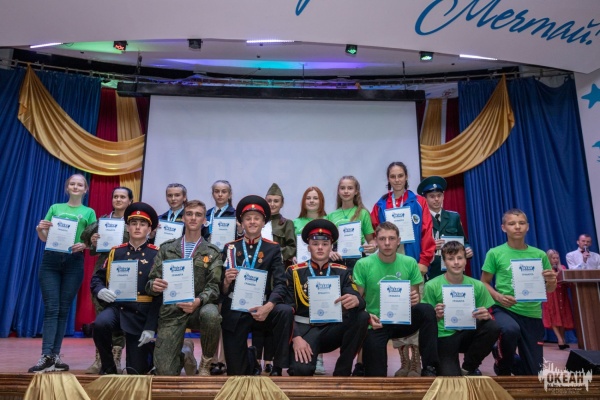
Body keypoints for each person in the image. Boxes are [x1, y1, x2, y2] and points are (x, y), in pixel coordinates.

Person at [370, 162, 435, 376]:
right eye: (393, 176)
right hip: (389, 264)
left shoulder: (419, 202)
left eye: (400, 176)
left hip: (414, 264)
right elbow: (375, 233)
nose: (397, 180)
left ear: (406, 177)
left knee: (415, 310)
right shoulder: (381, 205)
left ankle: (415, 361)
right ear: (388, 179)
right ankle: (404, 361)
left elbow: (427, 232)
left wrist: (424, 261)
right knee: (395, 310)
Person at [29, 173, 97, 373]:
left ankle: (55, 356)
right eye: (72, 184)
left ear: (85, 190)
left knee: (63, 309)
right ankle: (46, 355)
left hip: (74, 262)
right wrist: (40, 229)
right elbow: (44, 237)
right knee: (52, 308)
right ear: (67, 188)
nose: (76, 187)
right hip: (51, 260)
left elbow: (93, 241)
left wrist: (84, 245)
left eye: (80, 185)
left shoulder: (89, 212)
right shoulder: (55, 208)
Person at [146, 200, 223, 376]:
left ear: (205, 220)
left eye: (198, 214)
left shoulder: (212, 252)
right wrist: (154, 285)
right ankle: (185, 352)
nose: (193, 218)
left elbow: (214, 287)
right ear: (183, 218)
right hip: (172, 309)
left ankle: (206, 362)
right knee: (165, 372)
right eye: (189, 214)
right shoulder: (167, 249)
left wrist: (198, 301)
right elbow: (150, 282)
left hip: (199, 307)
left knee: (211, 315)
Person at [353, 222, 439, 377]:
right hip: (376, 323)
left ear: (398, 241)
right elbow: (357, 301)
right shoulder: (363, 264)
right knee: (376, 376)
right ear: (376, 241)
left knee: (426, 310)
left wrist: (415, 298)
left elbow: (415, 297)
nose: (387, 243)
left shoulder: (409, 262)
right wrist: (368, 316)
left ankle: (430, 367)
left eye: (391, 238)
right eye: (382, 239)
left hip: (403, 320)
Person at [220, 195, 294, 376]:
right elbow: (221, 289)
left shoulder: (273, 248)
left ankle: (277, 366)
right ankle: (251, 358)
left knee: (284, 311)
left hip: (263, 305)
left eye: (257, 218)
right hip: (236, 306)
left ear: (263, 223)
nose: (252, 222)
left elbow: (280, 283)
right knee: (236, 373)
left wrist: (268, 306)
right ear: (241, 223)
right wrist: (226, 282)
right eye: (248, 218)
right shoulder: (230, 248)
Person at [286, 219, 369, 376]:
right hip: (305, 330)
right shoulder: (295, 272)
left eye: (325, 244)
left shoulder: (342, 271)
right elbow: (287, 309)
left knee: (362, 316)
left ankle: (343, 371)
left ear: (331, 247)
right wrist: (296, 337)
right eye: (315, 244)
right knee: (300, 371)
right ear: (308, 247)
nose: (320, 247)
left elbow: (357, 297)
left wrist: (356, 300)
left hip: (332, 330)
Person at [480, 208, 557, 376]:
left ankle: (512, 360)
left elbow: (549, 288)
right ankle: (502, 364)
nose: (517, 227)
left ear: (527, 227)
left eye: (521, 223)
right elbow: (484, 282)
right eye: (512, 223)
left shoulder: (539, 255)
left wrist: (552, 281)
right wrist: (498, 296)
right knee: (510, 330)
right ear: (503, 228)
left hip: (532, 313)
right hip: (505, 309)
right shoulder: (495, 253)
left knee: (533, 374)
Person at [91, 202, 161, 375]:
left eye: (142, 224)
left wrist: (151, 326)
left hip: (141, 312)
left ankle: (153, 352)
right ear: (127, 227)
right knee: (100, 324)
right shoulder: (116, 252)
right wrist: (100, 290)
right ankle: (108, 367)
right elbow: (97, 278)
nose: (137, 227)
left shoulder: (157, 254)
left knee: (135, 371)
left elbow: (159, 295)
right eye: (133, 223)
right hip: (118, 308)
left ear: (149, 229)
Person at [422, 241, 500, 376]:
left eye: (460, 258)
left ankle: (469, 367)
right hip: (444, 336)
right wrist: (435, 316)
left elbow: (486, 313)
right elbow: (425, 322)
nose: (456, 262)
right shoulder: (431, 286)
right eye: (451, 259)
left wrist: (485, 315)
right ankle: (439, 366)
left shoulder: (478, 285)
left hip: (468, 333)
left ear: (465, 260)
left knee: (492, 326)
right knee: (451, 378)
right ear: (444, 262)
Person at [81, 186, 133, 374]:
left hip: (126, 270)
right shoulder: (102, 221)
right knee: (101, 312)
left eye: (123, 197)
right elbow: (85, 238)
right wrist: (93, 241)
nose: (118, 200)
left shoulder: (134, 222)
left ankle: (116, 358)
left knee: (121, 313)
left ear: (130, 201)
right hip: (103, 271)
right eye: (115, 196)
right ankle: (100, 358)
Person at [253, 183, 296, 373]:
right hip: (257, 276)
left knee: (272, 318)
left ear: (282, 203)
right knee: (257, 318)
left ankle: (269, 360)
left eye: (276, 201)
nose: (272, 204)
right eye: (269, 200)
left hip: (277, 277)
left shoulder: (286, 224)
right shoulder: (258, 221)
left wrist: (273, 255)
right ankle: (255, 359)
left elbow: (292, 248)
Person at [200, 179, 240, 375]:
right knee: (212, 314)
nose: (220, 194)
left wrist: (239, 230)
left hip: (228, 266)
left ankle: (223, 360)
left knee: (225, 313)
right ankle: (210, 359)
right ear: (213, 193)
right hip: (208, 266)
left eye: (224, 191)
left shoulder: (236, 216)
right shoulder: (206, 215)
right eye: (217, 191)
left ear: (230, 194)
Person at [293, 186, 328, 374]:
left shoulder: (329, 220)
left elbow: (333, 245)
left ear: (321, 201)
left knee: (322, 308)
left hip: (324, 270)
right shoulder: (295, 222)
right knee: (303, 310)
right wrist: (292, 257)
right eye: (308, 198)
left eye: (315, 198)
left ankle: (319, 355)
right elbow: (292, 247)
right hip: (301, 272)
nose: (312, 201)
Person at [416, 176, 473, 280]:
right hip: (431, 269)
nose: (436, 199)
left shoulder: (454, 217)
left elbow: (464, 241)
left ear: (443, 196)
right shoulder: (421, 220)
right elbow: (417, 246)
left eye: (439, 195)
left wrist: (468, 249)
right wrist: (431, 246)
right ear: (425, 199)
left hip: (453, 268)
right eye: (432, 196)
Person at [327, 175, 376, 271]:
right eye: (342, 188)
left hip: (358, 259)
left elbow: (371, 240)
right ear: (338, 191)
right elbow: (326, 242)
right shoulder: (331, 216)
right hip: (336, 259)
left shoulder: (363, 213)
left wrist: (373, 246)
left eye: (350, 188)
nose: (346, 191)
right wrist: (330, 252)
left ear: (356, 191)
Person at [542, 249, 574, 350]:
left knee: (562, 315)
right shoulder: (545, 269)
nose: (555, 260)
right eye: (553, 258)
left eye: (557, 258)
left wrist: (561, 272)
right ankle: (559, 339)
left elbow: (567, 281)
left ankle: (563, 339)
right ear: (549, 259)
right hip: (551, 294)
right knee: (553, 315)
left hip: (562, 294)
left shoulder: (562, 268)